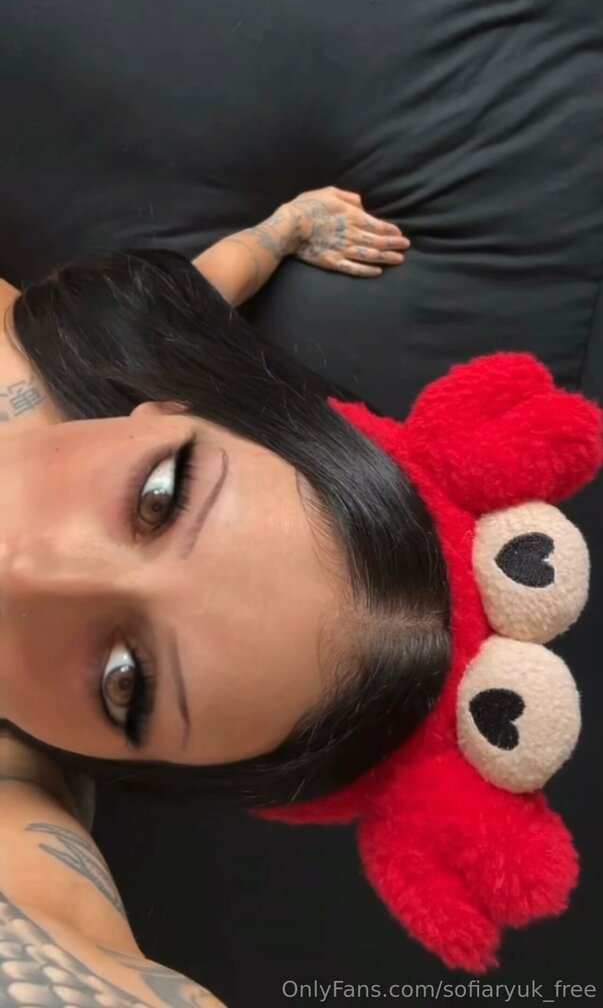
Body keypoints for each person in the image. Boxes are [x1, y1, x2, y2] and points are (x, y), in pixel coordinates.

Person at [0, 185, 449, 1005]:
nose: (30, 576)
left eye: (126, 682)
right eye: (159, 498)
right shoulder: (79, 357)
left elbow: (64, 933)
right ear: (165, 410)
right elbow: (205, 291)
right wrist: (286, 228)